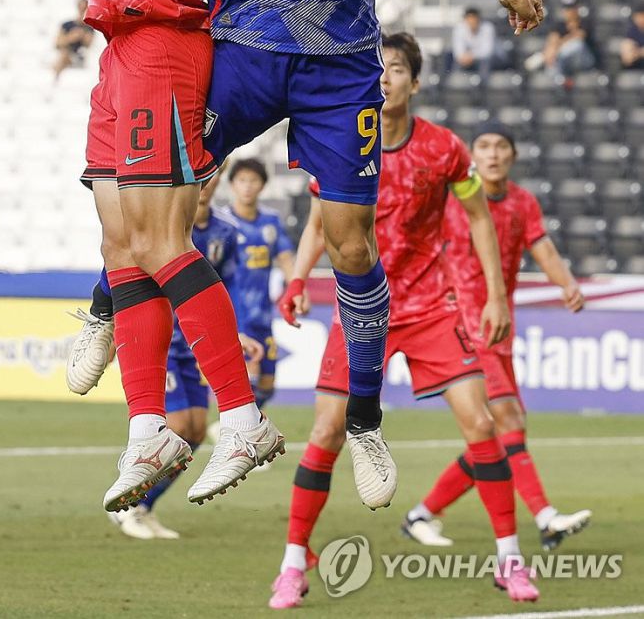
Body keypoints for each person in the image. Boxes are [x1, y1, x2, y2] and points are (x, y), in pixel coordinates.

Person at [11, 0, 543, 511]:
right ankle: (107, 304)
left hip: (343, 71)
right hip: (246, 55)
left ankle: (363, 420)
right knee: (161, 192)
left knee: (351, 245)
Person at [10, 0, 283, 516]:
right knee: (121, 246)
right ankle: (147, 428)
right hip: (123, 43)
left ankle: (242, 416)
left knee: (163, 243)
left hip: (166, 41)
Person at [272, 33, 538, 607]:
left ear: (414, 83)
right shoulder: (340, 139)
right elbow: (318, 223)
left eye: (395, 69)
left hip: (428, 306)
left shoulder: (445, 149)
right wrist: (297, 280)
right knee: (326, 432)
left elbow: (479, 217)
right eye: (377, 68)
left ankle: (511, 559)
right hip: (358, 308)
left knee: (482, 424)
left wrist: (495, 296)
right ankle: (293, 562)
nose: (384, 77)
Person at [416, 123, 591, 551]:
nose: (493, 154)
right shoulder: (453, 198)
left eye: (501, 147)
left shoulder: (523, 202)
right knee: (508, 421)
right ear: (472, 155)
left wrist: (566, 283)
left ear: (513, 156)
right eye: (484, 146)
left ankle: (422, 514)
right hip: (462, 328)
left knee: (495, 435)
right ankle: (546, 518)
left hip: (499, 330)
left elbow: (541, 246)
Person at [109, 184, 261, 539]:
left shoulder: (225, 231)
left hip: (196, 344)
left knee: (195, 431)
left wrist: (236, 329)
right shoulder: (164, 220)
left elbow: (230, 284)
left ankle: (143, 506)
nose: (206, 184)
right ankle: (128, 505)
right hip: (164, 341)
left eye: (212, 177)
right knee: (175, 427)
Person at [220, 158, 295, 410]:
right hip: (234, 314)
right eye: (242, 180)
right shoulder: (223, 222)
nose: (247, 186)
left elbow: (285, 257)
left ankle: (240, 423)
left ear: (262, 185)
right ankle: (236, 425)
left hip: (262, 315)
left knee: (267, 383)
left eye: (253, 180)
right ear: (232, 185)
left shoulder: (271, 221)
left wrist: (296, 286)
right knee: (246, 377)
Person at [543, 0, 597, 78]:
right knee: (551, 59)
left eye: (572, 8)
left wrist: (559, 47)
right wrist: (551, 51)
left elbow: (579, 36)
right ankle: (557, 79)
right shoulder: (560, 25)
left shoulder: (584, 22)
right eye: (567, 8)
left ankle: (559, 74)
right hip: (565, 61)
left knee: (576, 45)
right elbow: (553, 40)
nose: (570, 11)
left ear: (577, 8)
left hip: (585, 61)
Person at [449, 6, 509, 79]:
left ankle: (483, 84)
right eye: (469, 19)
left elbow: (487, 52)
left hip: (495, 58)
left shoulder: (488, 28)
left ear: (478, 19)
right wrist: (464, 57)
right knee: (456, 63)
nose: (472, 22)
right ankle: (455, 83)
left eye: (474, 19)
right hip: (471, 60)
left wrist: (471, 56)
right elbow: (458, 52)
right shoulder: (459, 29)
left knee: (484, 63)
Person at [54, 0, 95, 78]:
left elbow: (88, 45)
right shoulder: (66, 25)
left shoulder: (89, 27)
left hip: (78, 56)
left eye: (84, 8)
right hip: (65, 54)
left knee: (63, 56)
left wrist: (82, 34)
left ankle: (56, 77)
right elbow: (57, 43)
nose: (82, 11)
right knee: (64, 54)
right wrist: (70, 37)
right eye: (81, 8)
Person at [620, 3, 644, 69]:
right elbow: (627, 59)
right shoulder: (632, 30)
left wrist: (639, 53)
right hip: (637, 66)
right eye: (638, 16)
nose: (640, 19)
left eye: (642, 16)